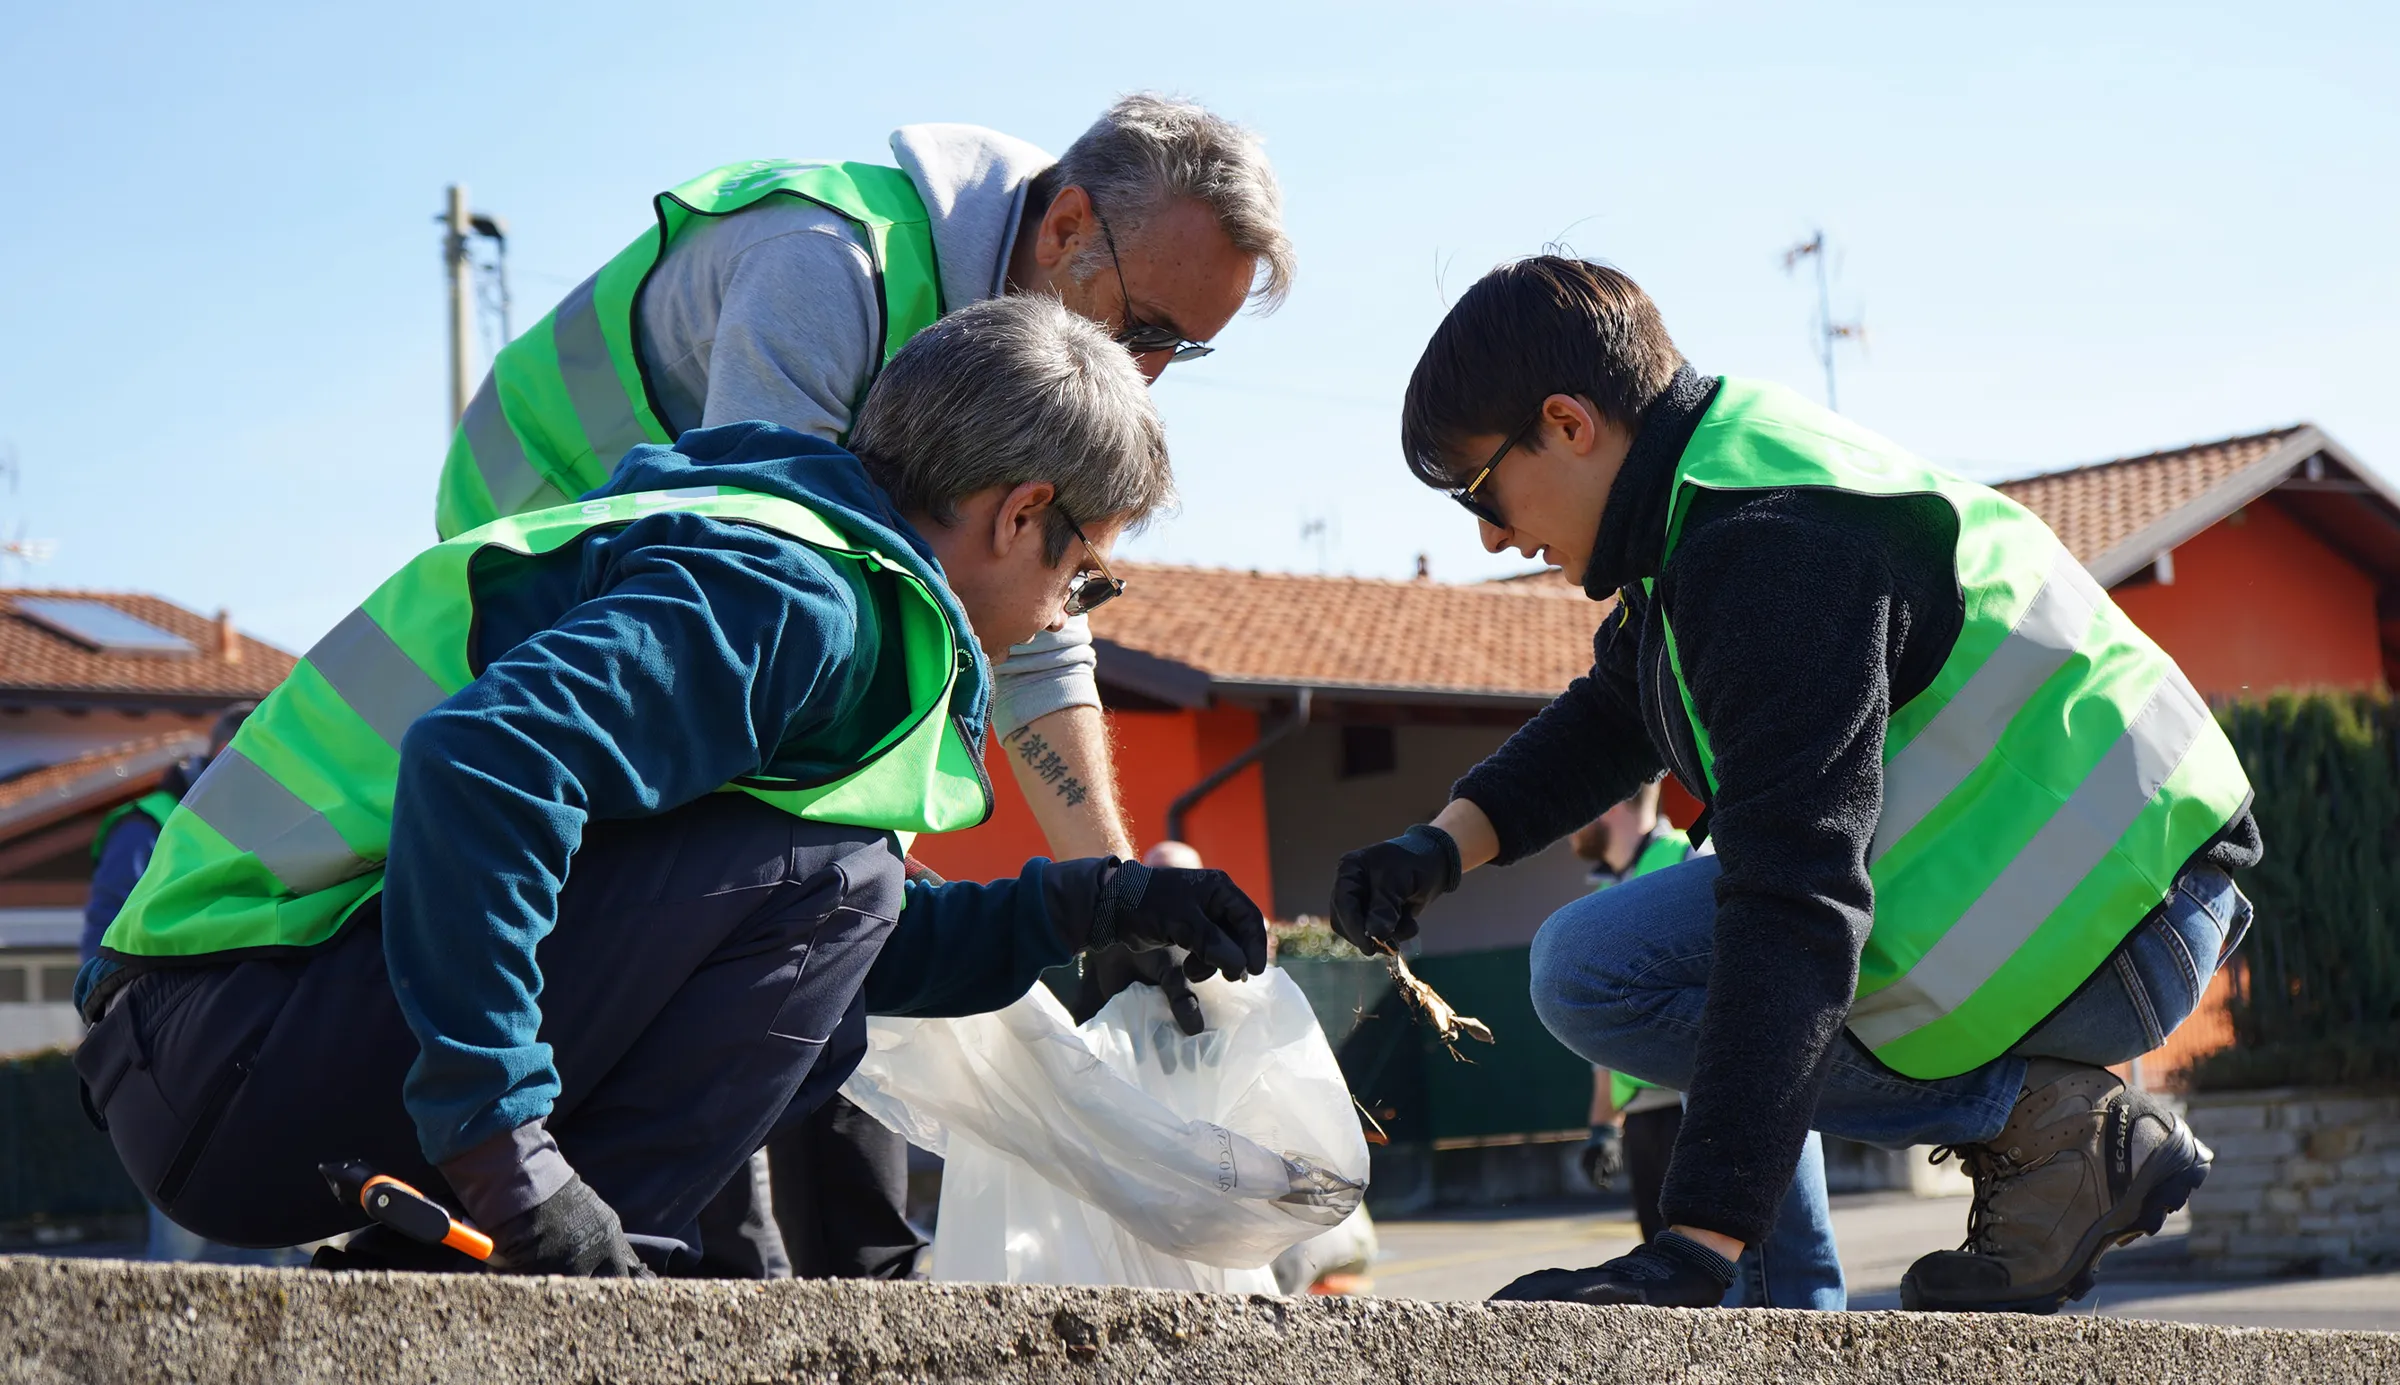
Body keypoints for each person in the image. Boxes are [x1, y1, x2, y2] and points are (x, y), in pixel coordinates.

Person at [72, 297, 1269, 1276]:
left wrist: (1086, 904)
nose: (1067, 619)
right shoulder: (795, 597)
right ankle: (546, 1267)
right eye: (1088, 582)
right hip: (224, 1049)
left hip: (220, 1046)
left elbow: (808, 947)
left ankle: (491, 1261)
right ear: (1021, 516)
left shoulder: (786, 548)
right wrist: (506, 1153)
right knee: (843, 877)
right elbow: (483, 764)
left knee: (838, 915)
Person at [434, 95, 1293, 1276]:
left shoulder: (1026, 357)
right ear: (1068, 226)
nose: (1147, 374)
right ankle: (704, 1255)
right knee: (802, 862)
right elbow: (779, 645)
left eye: (1181, 352)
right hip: (541, 539)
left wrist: (1116, 891)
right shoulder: (826, 269)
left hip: (708, 587)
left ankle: (817, 1263)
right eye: (1147, 326)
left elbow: (1036, 613)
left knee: (834, 879)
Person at [1332, 256, 2256, 1315]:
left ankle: (2040, 1124)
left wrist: (1691, 1243)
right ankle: (2020, 1140)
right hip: (2111, 893)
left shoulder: (1769, 549)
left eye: (1480, 491)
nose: (1491, 535)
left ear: (1569, 423)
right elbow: (1615, 708)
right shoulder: (1709, 493)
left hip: (2121, 922)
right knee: (1596, 959)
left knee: (1600, 970)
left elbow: (1796, 904)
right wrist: (1440, 845)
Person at [1572, 784, 1845, 1310]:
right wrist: (1604, 1126)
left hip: (1703, 1090)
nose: (1567, 829)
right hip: (1648, 1112)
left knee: (1738, 1267)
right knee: (1672, 1276)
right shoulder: (1608, 891)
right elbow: (1603, 1053)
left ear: (1611, 801)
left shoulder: (1682, 859)